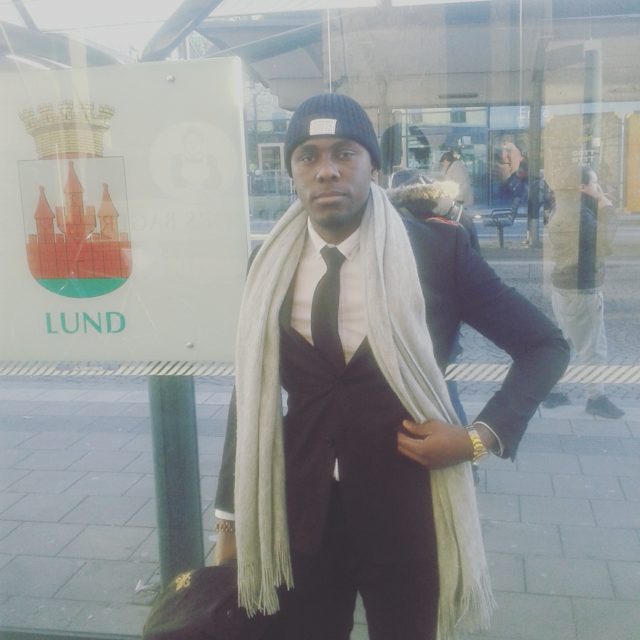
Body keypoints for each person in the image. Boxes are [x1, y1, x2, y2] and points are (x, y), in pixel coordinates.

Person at [213, 93, 569, 640]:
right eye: (308, 156)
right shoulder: (266, 264)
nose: (326, 170)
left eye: (344, 153)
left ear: (373, 166)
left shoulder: (437, 251)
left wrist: (476, 439)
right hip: (299, 516)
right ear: (292, 172)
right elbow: (251, 384)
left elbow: (545, 345)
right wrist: (229, 519)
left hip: (407, 513)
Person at [543, 165, 624, 418]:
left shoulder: (561, 208)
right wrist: (606, 209)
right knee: (594, 348)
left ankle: (551, 391)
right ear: (581, 187)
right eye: (594, 184)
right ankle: (596, 398)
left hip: (563, 286)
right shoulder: (582, 216)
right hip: (582, 289)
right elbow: (604, 245)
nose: (598, 188)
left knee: (566, 343)